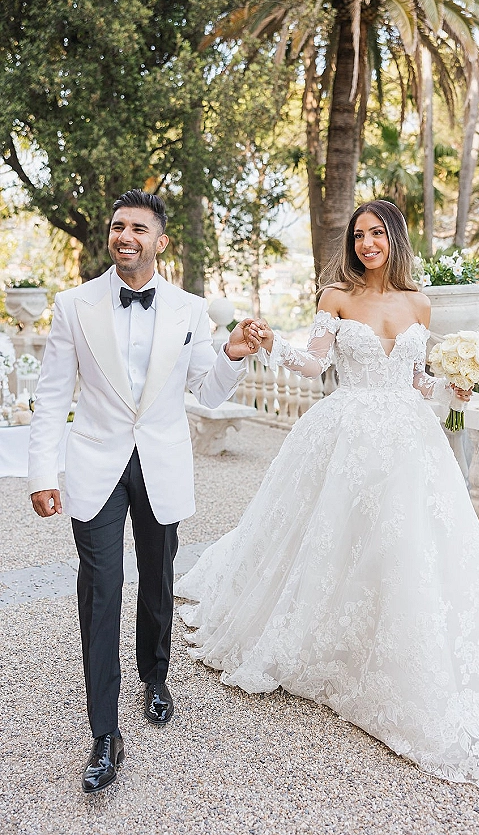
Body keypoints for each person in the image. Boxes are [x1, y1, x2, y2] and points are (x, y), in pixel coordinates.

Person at [175, 200, 479, 789]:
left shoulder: (420, 303)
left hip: (411, 440)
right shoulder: (336, 296)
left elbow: (419, 380)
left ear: (395, 238)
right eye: (359, 235)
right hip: (346, 434)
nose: (367, 243)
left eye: (377, 233)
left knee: (404, 544)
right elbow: (315, 366)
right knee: (335, 535)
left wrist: (456, 384)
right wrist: (268, 345)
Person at [28, 189, 260, 794]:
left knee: (157, 578)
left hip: (160, 463)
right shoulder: (73, 305)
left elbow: (207, 392)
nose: (124, 235)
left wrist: (233, 354)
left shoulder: (189, 309)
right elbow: (53, 396)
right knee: (100, 589)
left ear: (160, 241)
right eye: (117, 226)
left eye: (137, 228)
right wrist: (43, 474)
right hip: (94, 465)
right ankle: (104, 732)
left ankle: (155, 676)